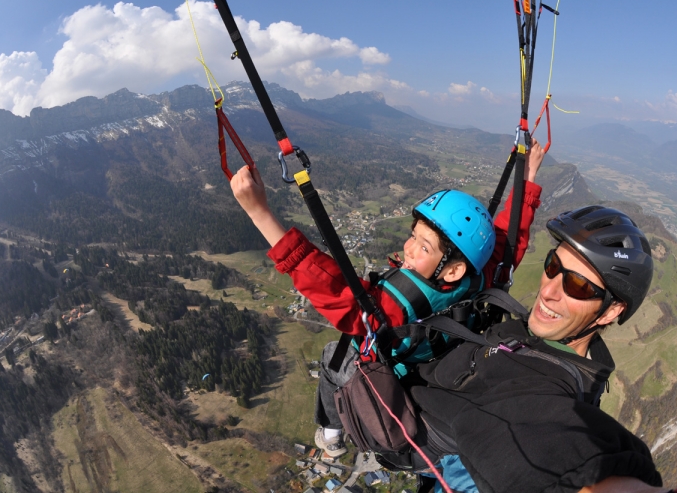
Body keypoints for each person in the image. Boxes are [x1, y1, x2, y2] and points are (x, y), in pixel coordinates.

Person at [230, 140, 546, 458]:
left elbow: (331, 288)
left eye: (424, 247)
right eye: (413, 235)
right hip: (438, 354)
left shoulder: (394, 306)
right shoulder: (485, 272)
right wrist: (528, 176)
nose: (409, 248)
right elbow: (511, 235)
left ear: (453, 270)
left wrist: (260, 214)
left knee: (332, 357)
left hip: (396, 372)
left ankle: (331, 434)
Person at [408, 205, 662, 492]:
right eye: (553, 266)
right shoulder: (534, 335)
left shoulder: (548, 391)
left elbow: (551, 449)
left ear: (609, 312)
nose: (549, 291)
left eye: (577, 285)